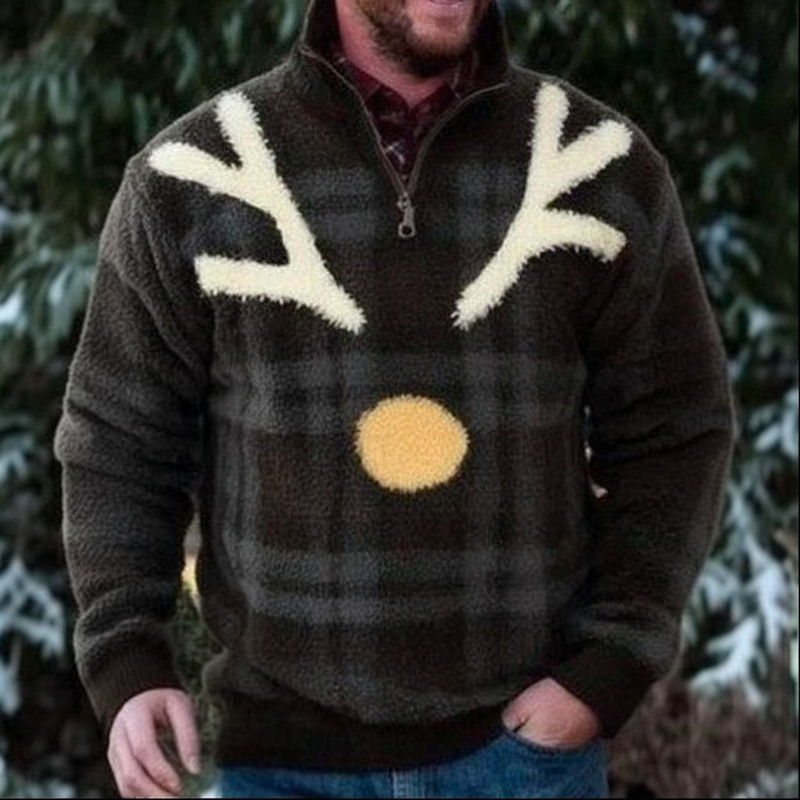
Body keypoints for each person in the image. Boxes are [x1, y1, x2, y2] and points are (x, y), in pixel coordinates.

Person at [53, 0, 737, 797]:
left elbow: (675, 430)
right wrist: (128, 661)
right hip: (284, 764)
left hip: (524, 759)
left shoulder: (600, 166)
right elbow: (118, 440)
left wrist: (609, 664)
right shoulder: (191, 178)